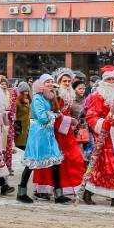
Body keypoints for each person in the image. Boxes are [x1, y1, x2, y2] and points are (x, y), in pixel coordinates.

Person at [83, 65, 114, 207]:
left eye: (113, 79)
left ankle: (88, 191)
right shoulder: (97, 96)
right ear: (104, 81)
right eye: (108, 79)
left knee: (102, 166)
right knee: (110, 164)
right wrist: (102, 123)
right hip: (104, 135)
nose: (111, 82)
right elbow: (91, 116)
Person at [33, 69, 85, 202]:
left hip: (66, 132)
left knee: (71, 159)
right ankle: (45, 189)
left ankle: (64, 188)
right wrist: (69, 121)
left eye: (69, 81)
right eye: (64, 81)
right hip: (56, 133)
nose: (67, 83)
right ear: (59, 82)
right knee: (52, 161)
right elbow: (53, 115)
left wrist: (74, 122)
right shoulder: (55, 96)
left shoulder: (69, 95)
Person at [16, 74, 64, 204]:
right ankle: (21, 193)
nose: (50, 84)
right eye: (47, 82)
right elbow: (42, 117)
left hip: (48, 134)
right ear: (41, 84)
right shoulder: (38, 98)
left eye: (51, 81)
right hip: (38, 134)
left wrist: (54, 113)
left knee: (55, 162)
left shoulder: (49, 97)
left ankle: (59, 194)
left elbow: (49, 114)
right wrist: (55, 115)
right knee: (32, 162)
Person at [0, 76, 18, 174]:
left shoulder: (10, 94)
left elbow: (13, 107)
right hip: (0, 122)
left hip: (9, 121)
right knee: (0, 145)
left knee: (9, 145)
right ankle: (1, 167)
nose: (4, 86)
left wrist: (12, 114)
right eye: (2, 84)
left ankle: (9, 166)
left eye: (5, 84)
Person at [14, 82, 31, 150]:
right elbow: (15, 115)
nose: (26, 93)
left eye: (27, 91)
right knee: (20, 144)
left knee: (25, 143)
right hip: (19, 125)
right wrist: (17, 127)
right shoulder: (17, 102)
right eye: (24, 91)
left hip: (26, 124)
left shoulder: (28, 100)